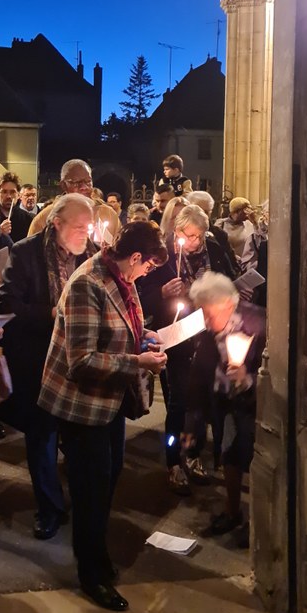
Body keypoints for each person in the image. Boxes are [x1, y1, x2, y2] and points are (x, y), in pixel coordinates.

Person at [39, 222, 168, 611]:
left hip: (110, 402)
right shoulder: (87, 284)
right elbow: (81, 361)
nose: (145, 274)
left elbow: (121, 325)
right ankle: (91, 573)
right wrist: (139, 361)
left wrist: (145, 335)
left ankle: (97, 555)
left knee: (107, 479)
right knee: (91, 489)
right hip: (84, 405)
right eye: (147, 267)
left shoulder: (121, 277)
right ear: (135, 257)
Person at [0, 194, 95, 539]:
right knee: (42, 438)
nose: (85, 233)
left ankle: (82, 502)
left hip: (78, 360)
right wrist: (51, 313)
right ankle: (49, 508)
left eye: (88, 227)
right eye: (79, 227)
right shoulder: (26, 253)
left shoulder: (92, 255)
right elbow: (8, 304)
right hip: (39, 359)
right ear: (57, 223)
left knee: (78, 438)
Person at [137, 204, 235, 494]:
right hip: (177, 337)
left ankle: (194, 453)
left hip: (209, 336)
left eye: (199, 235)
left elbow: (229, 277)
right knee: (179, 401)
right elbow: (141, 297)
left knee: (203, 401)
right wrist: (162, 293)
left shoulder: (213, 249)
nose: (194, 241)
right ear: (177, 231)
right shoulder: (164, 257)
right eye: (188, 235)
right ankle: (173, 461)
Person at [182, 272, 265, 547]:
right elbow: (198, 376)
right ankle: (232, 511)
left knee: (260, 461)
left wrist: (248, 379)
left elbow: (278, 373)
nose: (205, 322)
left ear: (228, 305)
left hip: (257, 405)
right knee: (229, 454)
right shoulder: (208, 331)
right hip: (226, 401)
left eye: (209, 314)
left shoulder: (259, 324)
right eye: (202, 314)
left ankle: (261, 521)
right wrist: (192, 424)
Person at [29, 159, 119, 244]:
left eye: (88, 181)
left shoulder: (108, 214)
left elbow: (120, 250)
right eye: (77, 183)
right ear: (63, 185)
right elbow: (31, 252)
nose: (84, 187)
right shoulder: (44, 218)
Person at [215, 196, 257, 270]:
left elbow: (258, 241)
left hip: (245, 265)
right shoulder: (221, 224)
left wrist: (255, 222)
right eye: (245, 210)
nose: (247, 213)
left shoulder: (249, 224)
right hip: (228, 265)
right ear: (236, 211)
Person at [0, 171, 33, 243]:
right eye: (4, 192)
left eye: (12, 192)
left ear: (18, 195)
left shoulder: (28, 219)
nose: (9, 196)